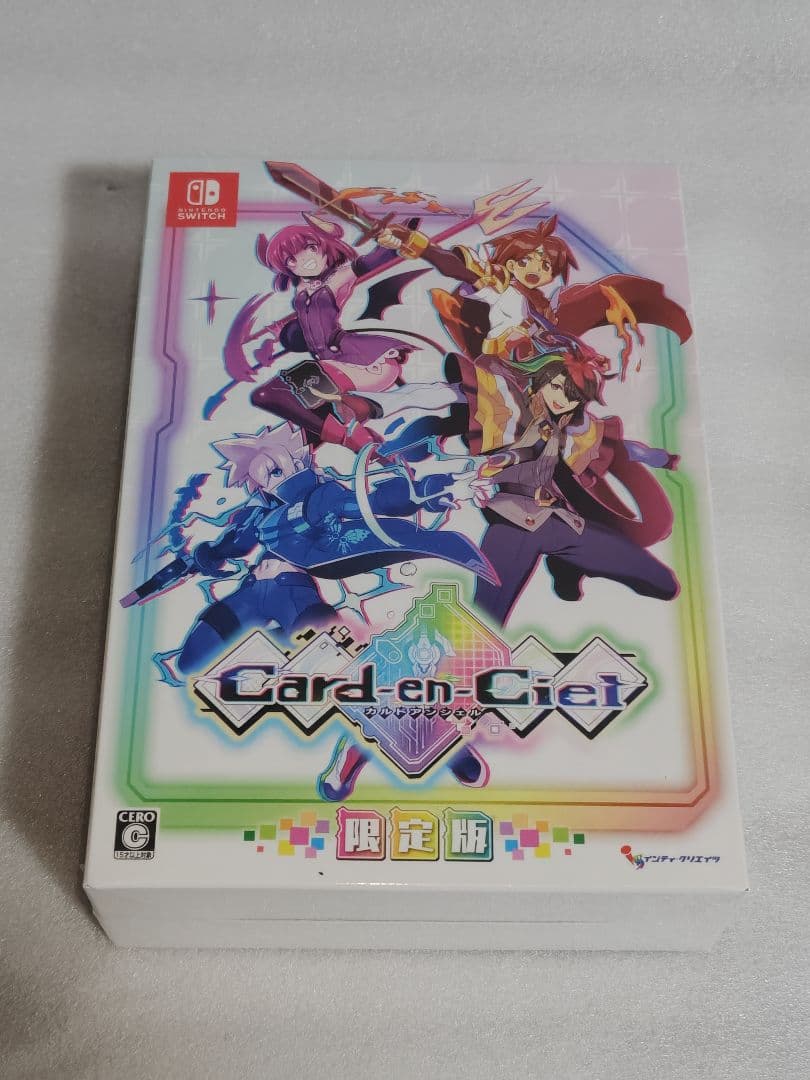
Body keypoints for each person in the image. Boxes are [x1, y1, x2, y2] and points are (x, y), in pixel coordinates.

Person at [471, 354, 679, 626]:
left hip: (563, 523)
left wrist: (657, 457)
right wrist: (491, 468)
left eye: (572, 396)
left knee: (665, 584)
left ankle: (566, 564)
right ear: (541, 381)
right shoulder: (514, 412)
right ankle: (565, 566)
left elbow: (615, 449)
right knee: (485, 621)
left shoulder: (566, 427)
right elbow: (519, 451)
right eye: (556, 387)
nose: (561, 398)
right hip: (514, 525)